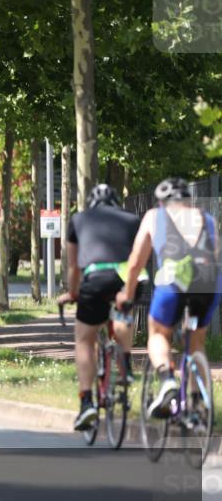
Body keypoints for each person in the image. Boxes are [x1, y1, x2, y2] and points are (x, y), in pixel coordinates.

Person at [116, 177, 221, 418]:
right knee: (196, 344)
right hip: (208, 283)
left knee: (158, 334)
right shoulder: (207, 219)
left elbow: (134, 264)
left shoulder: (154, 216)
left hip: (174, 281)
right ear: (188, 200)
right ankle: (197, 406)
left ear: (162, 202)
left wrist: (127, 294)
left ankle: (167, 382)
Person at [56, 184, 141, 431]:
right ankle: (124, 362)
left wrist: (73, 293)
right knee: (122, 309)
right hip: (125, 278)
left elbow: (74, 267)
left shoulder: (78, 219)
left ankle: (87, 403)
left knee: (84, 339)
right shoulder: (132, 219)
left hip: (94, 279)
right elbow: (139, 256)